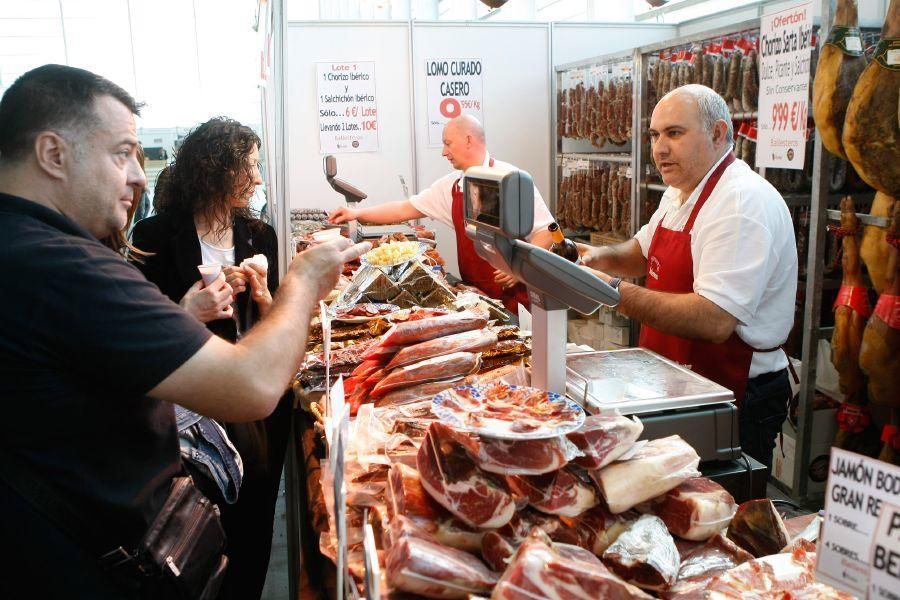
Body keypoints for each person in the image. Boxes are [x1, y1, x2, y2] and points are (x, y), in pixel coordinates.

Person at [0, 64, 369, 599]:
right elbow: (254, 385)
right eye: (122, 152)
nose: (139, 176)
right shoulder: (56, 265)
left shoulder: (28, 247)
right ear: (53, 154)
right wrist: (305, 280)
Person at [579, 84, 797, 471]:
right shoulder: (680, 191)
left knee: (717, 510)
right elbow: (641, 252)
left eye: (674, 133)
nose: (659, 148)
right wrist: (595, 257)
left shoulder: (740, 202)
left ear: (717, 134)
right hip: (676, 383)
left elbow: (714, 320)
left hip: (733, 393)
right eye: (655, 135)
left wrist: (608, 290)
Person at [131, 117, 285, 600]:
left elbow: (274, 320)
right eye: (249, 168)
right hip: (188, 408)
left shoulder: (260, 234)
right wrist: (186, 311)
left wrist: (263, 297)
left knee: (255, 522)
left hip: (252, 405)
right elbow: (133, 334)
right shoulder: (155, 235)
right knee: (195, 527)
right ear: (216, 169)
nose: (258, 179)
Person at [328, 114, 555, 312]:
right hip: (477, 297)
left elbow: (548, 230)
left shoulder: (510, 178)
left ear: (468, 140)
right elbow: (405, 208)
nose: (444, 152)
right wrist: (356, 213)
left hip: (516, 298)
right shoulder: (453, 186)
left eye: (448, 144)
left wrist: (519, 268)